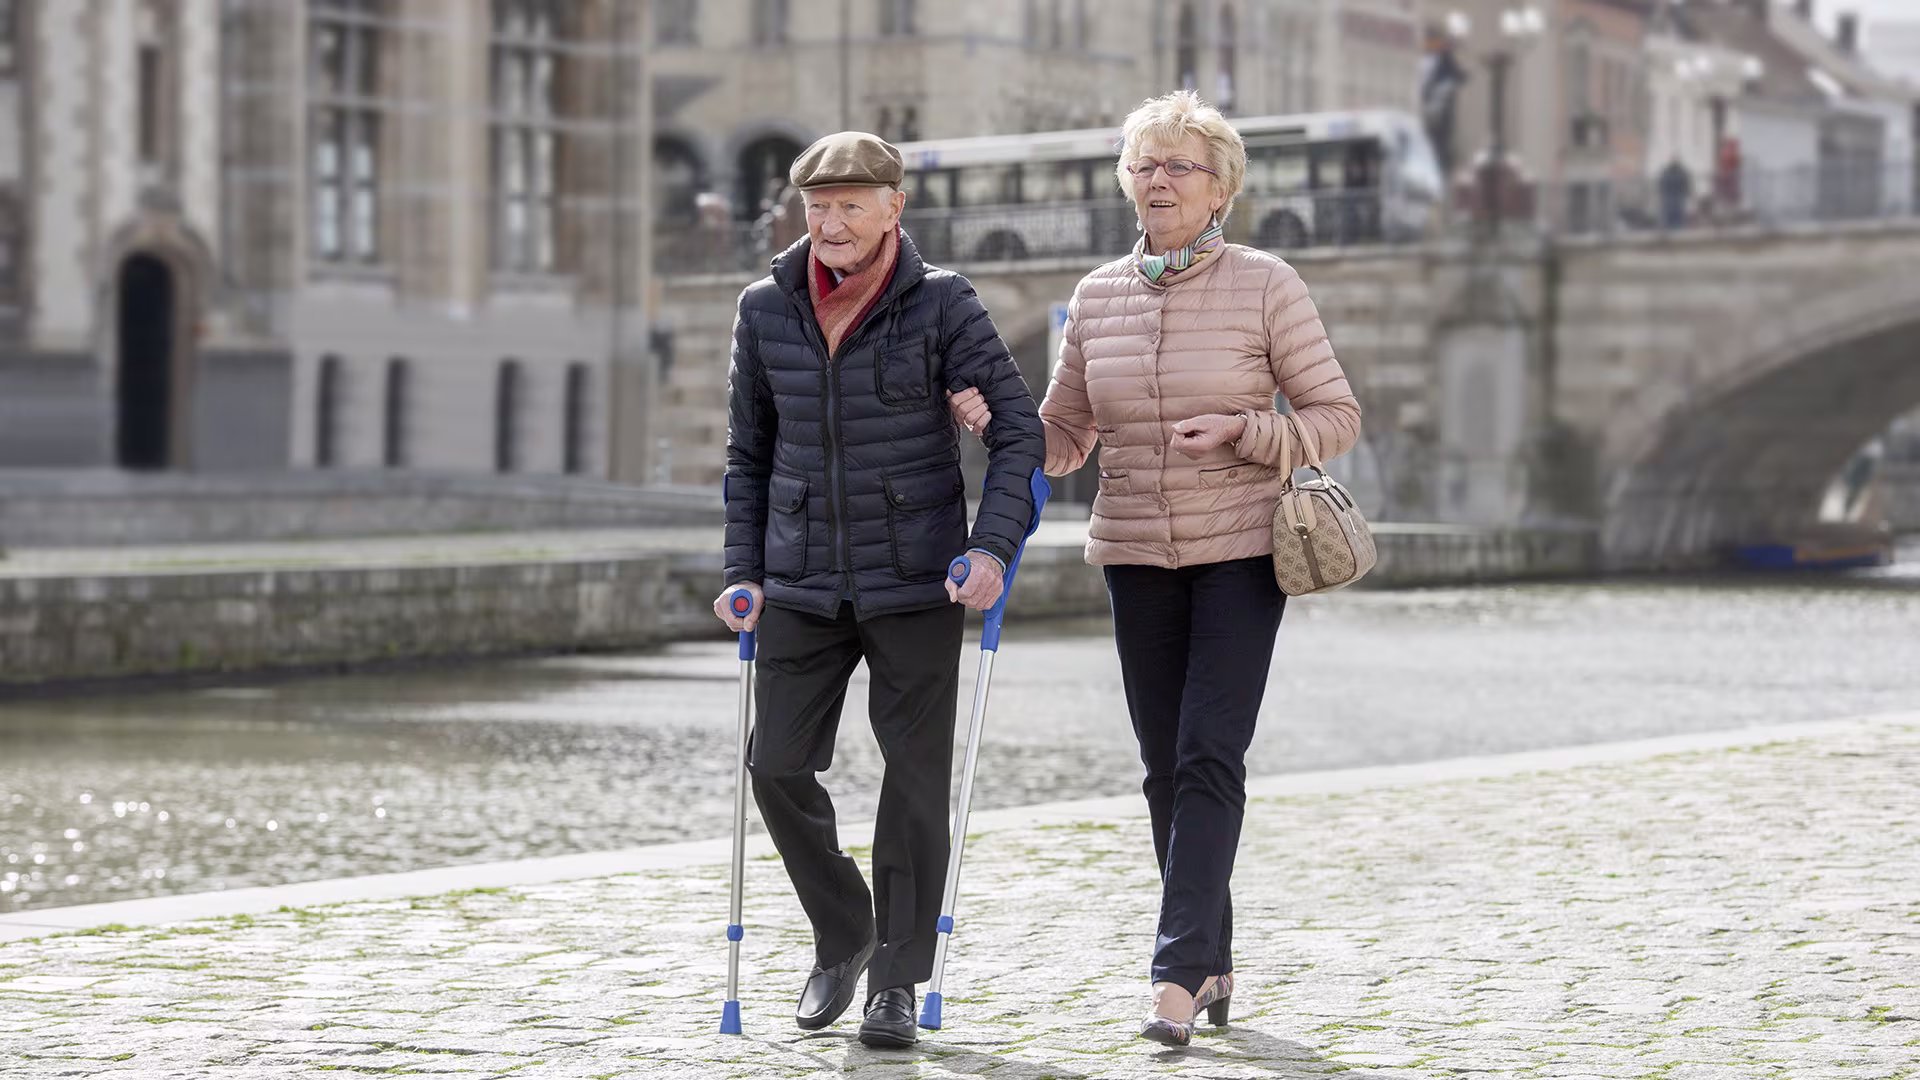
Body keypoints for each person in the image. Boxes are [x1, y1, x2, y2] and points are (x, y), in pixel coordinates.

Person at [947, 91, 1361, 1046]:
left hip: (1242, 550)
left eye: (1180, 166)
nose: (1159, 181)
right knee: (1163, 767)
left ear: (1221, 190)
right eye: (1144, 165)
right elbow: (1065, 437)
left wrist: (1248, 431)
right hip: (1135, 553)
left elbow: (1335, 417)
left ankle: (1173, 978)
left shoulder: (1266, 284)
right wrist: (999, 424)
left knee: (1210, 752)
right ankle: (1212, 962)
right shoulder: (1097, 296)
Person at [713, 131, 1045, 1049]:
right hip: (800, 579)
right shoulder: (764, 308)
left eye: (850, 207)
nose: (830, 224)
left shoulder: (944, 303)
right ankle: (846, 930)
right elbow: (747, 455)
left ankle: (895, 979)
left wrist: (991, 550)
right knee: (775, 766)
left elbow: (1019, 434)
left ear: (894, 207)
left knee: (914, 781)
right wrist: (742, 572)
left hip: (916, 579)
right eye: (818, 207)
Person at [1659, 158, 1693, 231]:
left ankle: (1676, 229)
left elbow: (1686, 185)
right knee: (1672, 216)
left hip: (1675, 198)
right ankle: (1672, 229)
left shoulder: (1677, 173)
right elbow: (1662, 185)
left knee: (1676, 216)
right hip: (1672, 197)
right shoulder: (1671, 173)